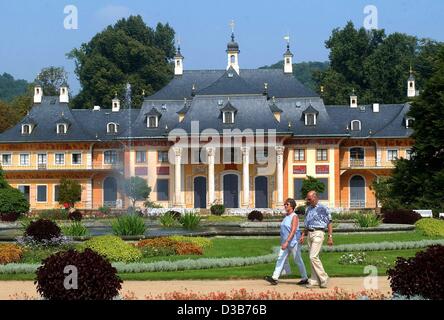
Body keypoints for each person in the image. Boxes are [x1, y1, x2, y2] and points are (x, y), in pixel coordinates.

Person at [264, 198, 308, 285]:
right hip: (286, 242)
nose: (285, 206)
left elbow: (293, 230)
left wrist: (287, 242)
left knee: (297, 259)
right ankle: (274, 278)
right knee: (280, 258)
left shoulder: (294, 217)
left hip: (294, 242)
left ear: (291, 206)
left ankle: (305, 278)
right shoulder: (286, 216)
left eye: (286, 204)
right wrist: (284, 242)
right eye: (284, 204)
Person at [299, 190, 333, 289]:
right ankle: (314, 280)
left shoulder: (323, 208)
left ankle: (324, 277)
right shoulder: (308, 209)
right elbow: (307, 223)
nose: (308, 200)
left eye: (309, 199)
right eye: (307, 199)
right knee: (313, 257)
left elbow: (329, 222)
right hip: (309, 233)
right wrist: (303, 235)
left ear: (315, 197)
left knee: (312, 257)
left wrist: (330, 237)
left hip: (319, 232)